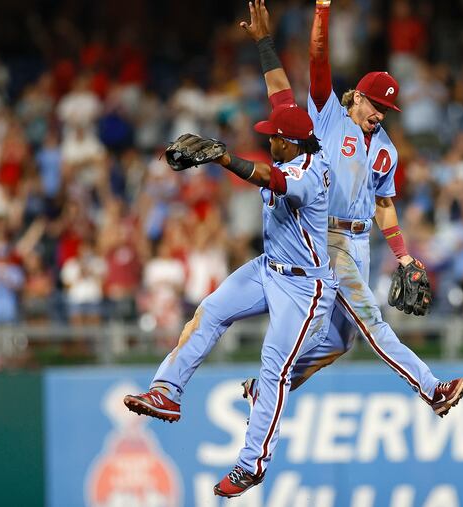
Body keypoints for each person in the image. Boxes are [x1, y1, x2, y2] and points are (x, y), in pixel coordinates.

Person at [124, 1, 337, 497]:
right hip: (270, 268)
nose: (268, 140)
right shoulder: (296, 137)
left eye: (272, 139)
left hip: (305, 289)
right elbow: (281, 93)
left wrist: (222, 156)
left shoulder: (309, 174)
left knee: (273, 369)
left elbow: (269, 175)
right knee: (211, 310)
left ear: (289, 145)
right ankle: (168, 391)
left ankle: (252, 462)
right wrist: (264, 43)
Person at [243, 0, 463, 419]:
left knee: (341, 341)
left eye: (387, 110)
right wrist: (323, 11)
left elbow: (384, 205)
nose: (380, 114)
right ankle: (432, 388)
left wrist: (402, 254)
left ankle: (267, 386)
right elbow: (317, 58)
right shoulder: (328, 116)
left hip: (360, 241)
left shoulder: (386, 148)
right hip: (325, 236)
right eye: (375, 105)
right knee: (373, 322)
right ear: (358, 97)